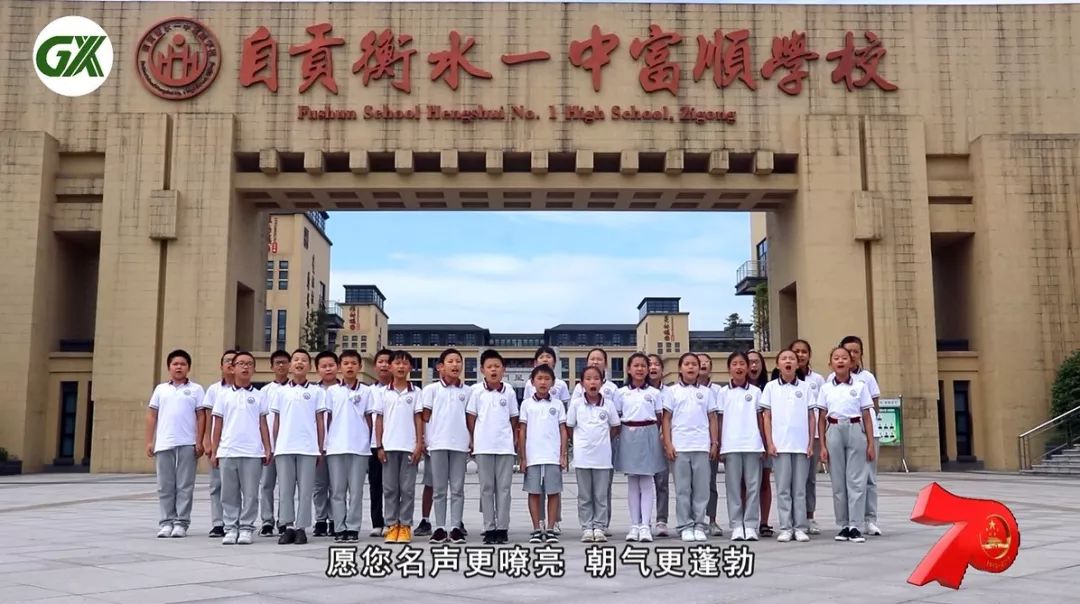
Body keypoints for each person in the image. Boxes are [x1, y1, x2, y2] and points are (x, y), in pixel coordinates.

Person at [211, 351, 272, 545]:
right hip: (228, 450)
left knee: (251, 493)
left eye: (249, 364)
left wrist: (267, 448)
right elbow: (217, 425)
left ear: (254, 369)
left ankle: (246, 527)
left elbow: (263, 424)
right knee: (228, 493)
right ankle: (230, 527)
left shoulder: (259, 395)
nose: (245, 367)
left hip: (252, 452)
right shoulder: (223, 395)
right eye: (241, 364)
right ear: (233, 368)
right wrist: (214, 450)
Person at [819, 346, 876, 543]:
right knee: (838, 481)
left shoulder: (860, 386)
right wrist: (822, 445)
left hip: (855, 429)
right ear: (830, 364)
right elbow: (821, 418)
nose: (841, 361)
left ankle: (855, 525)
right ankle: (843, 524)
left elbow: (867, 416)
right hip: (834, 429)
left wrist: (870, 443)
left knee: (856, 480)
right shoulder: (826, 388)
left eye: (844, 358)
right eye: (836, 358)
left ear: (851, 363)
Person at [146, 349, 205, 538]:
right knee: (165, 485)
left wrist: (199, 440)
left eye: (183, 364)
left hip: (187, 442)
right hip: (164, 443)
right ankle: (166, 522)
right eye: (175, 364)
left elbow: (201, 416)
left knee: (185, 485)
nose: (179, 367)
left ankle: (181, 522)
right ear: (169, 367)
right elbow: (152, 415)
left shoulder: (196, 389)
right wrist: (150, 441)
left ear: (188, 368)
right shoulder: (161, 389)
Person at [761, 349, 817, 543]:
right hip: (780, 446)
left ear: (797, 364)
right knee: (783, 489)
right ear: (778, 365)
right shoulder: (770, 387)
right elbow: (766, 417)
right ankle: (785, 527)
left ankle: (800, 527)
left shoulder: (806, 387)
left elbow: (811, 417)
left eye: (791, 359)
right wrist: (770, 443)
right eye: (784, 358)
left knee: (799, 489)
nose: (788, 361)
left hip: (801, 446)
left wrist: (810, 443)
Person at [271, 349, 327, 545]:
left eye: (304, 360)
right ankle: (287, 527)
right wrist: (275, 446)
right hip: (285, 447)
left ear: (309, 366)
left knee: (305, 490)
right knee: (285, 490)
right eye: (296, 360)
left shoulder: (317, 392)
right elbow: (276, 421)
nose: (299, 363)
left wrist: (320, 447)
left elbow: (320, 421)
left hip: (308, 448)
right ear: (290, 365)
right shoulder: (280, 392)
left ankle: (301, 527)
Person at [662, 352, 719, 543]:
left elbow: (712, 418)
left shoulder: (707, 392)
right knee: (683, 489)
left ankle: (699, 524)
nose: (691, 367)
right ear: (680, 368)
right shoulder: (672, 391)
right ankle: (685, 525)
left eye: (694, 364)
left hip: (701, 446)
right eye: (687, 364)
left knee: (701, 489)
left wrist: (714, 442)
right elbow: (666, 419)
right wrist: (668, 443)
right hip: (680, 447)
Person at [467, 349, 519, 545]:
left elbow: (513, 418)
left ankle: (502, 528)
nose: (493, 370)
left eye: (497, 366)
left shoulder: (510, 391)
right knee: (486, 488)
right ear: (482, 370)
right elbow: (471, 418)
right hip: (483, 447)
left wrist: (511, 439)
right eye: (490, 367)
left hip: (504, 447)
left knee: (504, 489)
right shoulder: (476, 391)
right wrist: (474, 439)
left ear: (503, 370)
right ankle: (489, 527)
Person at [373, 350, 424, 544]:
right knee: (390, 489)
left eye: (405, 363)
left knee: (407, 489)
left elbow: (418, 419)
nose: (401, 367)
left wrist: (419, 444)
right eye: (397, 363)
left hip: (409, 447)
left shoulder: (416, 392)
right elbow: (379, 420)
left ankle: (405, 525)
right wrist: (379, 446)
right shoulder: (382, 393)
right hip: (389, 446)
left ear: (410, 367)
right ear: (391, 367)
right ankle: (392, 524)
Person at [615, 353, 667, 543]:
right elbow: (617, 417)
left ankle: (645, 525)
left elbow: (659, 418)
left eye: (643, 366)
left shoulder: (654, 393)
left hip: (649, 434)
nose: (640, 369)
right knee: (632, 482)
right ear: (628, 369)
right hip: (628, 434)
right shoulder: (621, 393)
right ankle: (634, 524)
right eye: (635, 365)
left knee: (646, 481)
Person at [422, 348, 471, 544]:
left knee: (458, 489)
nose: (455, 365)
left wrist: (472, 441)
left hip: (460, 444)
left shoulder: (468, 391)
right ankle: (440, 528)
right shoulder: (431, 390)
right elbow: (425, 417)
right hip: (438, 444)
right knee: (439, 489)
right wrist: (425, 440)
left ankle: (456, 527)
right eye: (450, 361)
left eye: (458, 361)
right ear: (440, 367)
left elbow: (470, 419)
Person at [326, 349, 374, 544]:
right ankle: (339, 527)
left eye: (354, 363)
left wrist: (370, 442)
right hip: (336, 447)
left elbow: (370, 419)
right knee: (337, 491)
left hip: (359, 448)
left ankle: (353, 527)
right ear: (339, 367)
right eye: (346, 363)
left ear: (360, 366)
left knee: (356, 492)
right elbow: (327, 419)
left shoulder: (367, 391)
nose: (350, 367)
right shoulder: (332, 392)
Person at [837, 335, 883, 537]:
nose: (852, 355)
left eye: (856, 351)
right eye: (848, 351)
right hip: (843, 433)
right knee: (847, 479)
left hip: (867, 433)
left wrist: (868, 433)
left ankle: (870, 519)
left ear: (861, 354)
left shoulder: (867, 377)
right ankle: (849, 521)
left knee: (869, 478)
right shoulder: (833, 380)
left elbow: (874, 406)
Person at [567, 365, 619, 543]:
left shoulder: (608, 405)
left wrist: (603, 441)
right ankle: (587, 527)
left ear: (602, 382)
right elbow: (569, 427)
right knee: (585, 496)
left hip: (603, 459)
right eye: (588, 379)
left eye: (596, 378)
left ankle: (599, 526)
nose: (592, 382)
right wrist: (579, 444)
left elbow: (615, 427)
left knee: (601, 495)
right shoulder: (576, 404)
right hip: (582, 458)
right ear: (582, 383)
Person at [519, 364, 568, 544]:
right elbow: (522, 431)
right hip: (533, 457)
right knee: (534, 493)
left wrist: (563, 455)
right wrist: (523, 457)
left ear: (553, 383)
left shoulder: (557, 404)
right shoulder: (526, 404)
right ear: (532, 382)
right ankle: (536, 528)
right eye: (539, 378)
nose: (543, 382)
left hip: (552, 456)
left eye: (547, 379)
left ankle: (551, 528)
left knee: (553, 493)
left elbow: (563, 430)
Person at [720, 351, 765, 542]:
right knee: (733, 487)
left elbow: (761, 419)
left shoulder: (755, 392)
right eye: (734, 364)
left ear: (747, 368)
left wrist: (764, 443)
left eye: (742, 364)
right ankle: (737, 525)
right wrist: (719, 444)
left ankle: (751, 524)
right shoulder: (723, 392)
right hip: (731, 445)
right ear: (729, 368)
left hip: (753, 445)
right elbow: (719, 420)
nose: (738, 367)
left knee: (753, 487)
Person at [790, 339, 825, 535]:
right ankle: (793, 517)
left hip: (814, 436)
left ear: (809, 355)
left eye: (804, 351)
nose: (800, 355)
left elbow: (822, 408)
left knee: (809, 478)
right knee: (791, 479)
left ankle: (809, 516)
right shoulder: (784, 378)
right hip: (791, 436)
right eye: (796, 351)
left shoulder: (817, 380)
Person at [200, 350, 236, 538]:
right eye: (227, 361)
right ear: (221, 366)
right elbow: (207, 418)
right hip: (218, 444)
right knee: (217, 486)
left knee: (237, 487)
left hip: (237, 445)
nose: (230, 364)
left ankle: (235, 521)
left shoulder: (245, 390)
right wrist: (207, 441)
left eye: (234, 361)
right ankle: (218, 523)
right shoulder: (214, 390)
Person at [258, 350, 290, 537]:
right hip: (268, 445)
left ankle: (284, 520)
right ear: (271, 366)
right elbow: (260, 420)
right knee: (266, 485)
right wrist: (265, 445)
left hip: (287, 445)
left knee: (286, 487)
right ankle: (267, 521)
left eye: (284, 362)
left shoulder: (294, 390)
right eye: (277, 363)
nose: (281, 366)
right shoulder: (265, 391)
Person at [746, 349, 773, 537]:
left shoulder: (769, 388)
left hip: (765, 441)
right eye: (749, 362)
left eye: (757, 362)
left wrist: (768, 442)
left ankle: (764, 522)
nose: (753, 365)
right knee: (744, 483)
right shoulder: (736, 389)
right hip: (745, 442)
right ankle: (745, 521)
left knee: (764, 481)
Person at [697, 353, 725, 536]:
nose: (702, 364)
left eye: (706, 362)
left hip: (711, 443)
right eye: (699, 362)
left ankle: (712, 520)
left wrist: (717, 442)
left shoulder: (718, 390)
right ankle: (694, 520)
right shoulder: (682, 389)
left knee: (710, 482)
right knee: (692, 484)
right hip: (692, 443)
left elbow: (719, 418)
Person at [313, 351, 340, 537]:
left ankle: (334, 519)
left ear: (337, 367)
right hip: (317, 445)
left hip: (338, 444)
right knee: (319, 485)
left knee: (336, 486)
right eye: (324, 366)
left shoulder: (343, 390)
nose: (328, 369)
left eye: (331, 365)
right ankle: (321, 519)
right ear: (317, 369)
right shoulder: (313, 391)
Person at [367, 349, 393, 537]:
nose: (384, 365)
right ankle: (377, 522)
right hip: (374, 444)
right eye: (380, 362)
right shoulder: (369, 391)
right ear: (375, 366)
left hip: (395, 443)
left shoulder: (399, 390)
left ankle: (393, 521)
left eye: (387, 362)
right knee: (375, 484)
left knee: (393, 486)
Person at [647, 353, 672, 537]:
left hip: (663, 441)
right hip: (644, 443)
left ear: (662, 369)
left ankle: (661, 520)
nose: (653, 367)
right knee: (643, 483)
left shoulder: (669, 392)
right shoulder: (639, 391)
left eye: (656, 364)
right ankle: (643, 520)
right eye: (649, 364)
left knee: (662, 482)